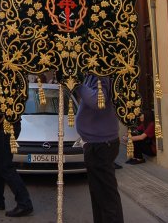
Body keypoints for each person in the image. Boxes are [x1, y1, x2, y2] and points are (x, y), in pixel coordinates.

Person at [74, 74, 124, 223]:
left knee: (107, 198)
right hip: (95, 144)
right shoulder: (90, 75)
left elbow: (97, 101)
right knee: (98, 196)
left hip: (102, 144)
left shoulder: (101, 74)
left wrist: (76, 84)